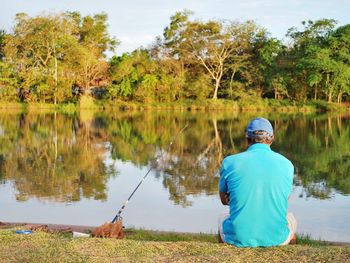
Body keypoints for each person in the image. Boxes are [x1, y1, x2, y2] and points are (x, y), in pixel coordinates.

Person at [218, 117, 297, 247]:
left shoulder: (229, 162)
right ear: (271, 139)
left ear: (247, 139)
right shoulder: (287, 164)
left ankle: (225, 254)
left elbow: (223, 200)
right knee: (291, 219)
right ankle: (288, 253)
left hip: (239, 238)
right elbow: (285, 198)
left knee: (222, 216)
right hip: (277, 239)